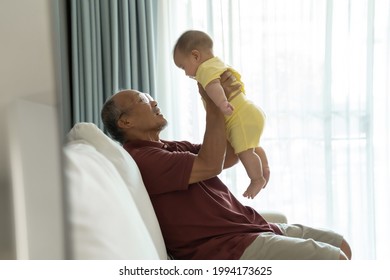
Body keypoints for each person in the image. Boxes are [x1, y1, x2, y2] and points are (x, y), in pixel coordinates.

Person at [100, 72, 352, 260]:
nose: (153, 101)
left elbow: (226, 156)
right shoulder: (144, 159)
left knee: (342, 247)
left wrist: (229, 102)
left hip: (249, 229)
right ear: (126, 122)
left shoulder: (168, 146)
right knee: (336, 261)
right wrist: (212, 108)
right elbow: (211, 165)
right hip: (226, 249)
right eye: (142, 99)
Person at [173, 30, 266, 199]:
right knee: (248, 148)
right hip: (248, 110)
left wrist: (222, 104)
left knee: (245, 153)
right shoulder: (217, 63)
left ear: (195, 56)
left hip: (239, 116)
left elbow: (213, 85)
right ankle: (263, 167)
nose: (186, 73)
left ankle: (257, 179)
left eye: (183, 67)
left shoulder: (205, 70)